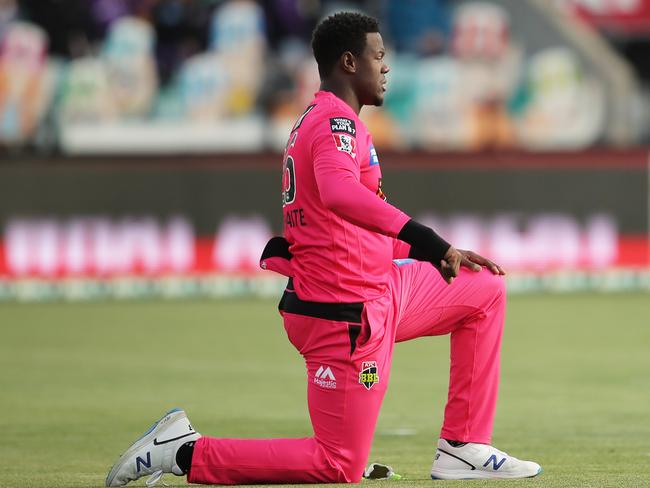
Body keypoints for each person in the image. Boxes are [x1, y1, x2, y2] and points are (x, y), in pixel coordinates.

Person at [105, 12, 542, 487]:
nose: (386, 67)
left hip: (377, 288)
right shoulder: (336, 121)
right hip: (344, 310)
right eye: (378, 56)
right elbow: (339, 194)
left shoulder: (327, 120)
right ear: (349, 62)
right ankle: (184, 451)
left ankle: (462, 447)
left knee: (483, 291)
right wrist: (425, 238)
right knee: (338, 464)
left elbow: (355, 217)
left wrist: (438, 253)